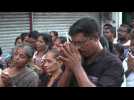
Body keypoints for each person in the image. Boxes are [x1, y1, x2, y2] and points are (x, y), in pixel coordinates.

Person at [58, 17, 124, 87]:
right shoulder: (75, 57)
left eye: (80, 43)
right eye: (74, 43)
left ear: (96, 38)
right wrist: (68, 69)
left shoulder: (113, 63)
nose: (77, 47)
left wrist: (77, 67)